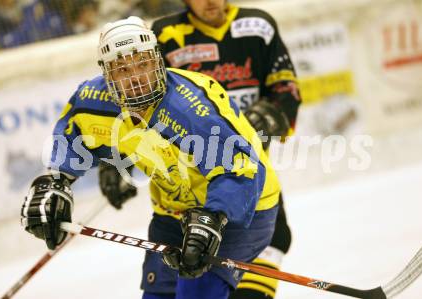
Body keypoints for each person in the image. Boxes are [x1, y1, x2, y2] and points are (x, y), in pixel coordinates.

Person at [20, 16, 281, 299]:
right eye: (122, 69)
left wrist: (211, 218)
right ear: (107, 74)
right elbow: (73, 138)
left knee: (196, 291)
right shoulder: (92, 100)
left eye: (142, 64)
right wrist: (57, 181)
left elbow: (240, 169)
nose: (135, 79)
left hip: (242, 208)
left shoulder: (191, 107)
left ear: (157, 60)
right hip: (172, 212)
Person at [149, 1, 301, 298]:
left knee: (273, 238)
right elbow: (143, 103)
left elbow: (287, 89)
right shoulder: (165, 34)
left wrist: (272, 114)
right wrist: (116, 160)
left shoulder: (258, 26)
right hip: (187, 185)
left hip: (249, 178)